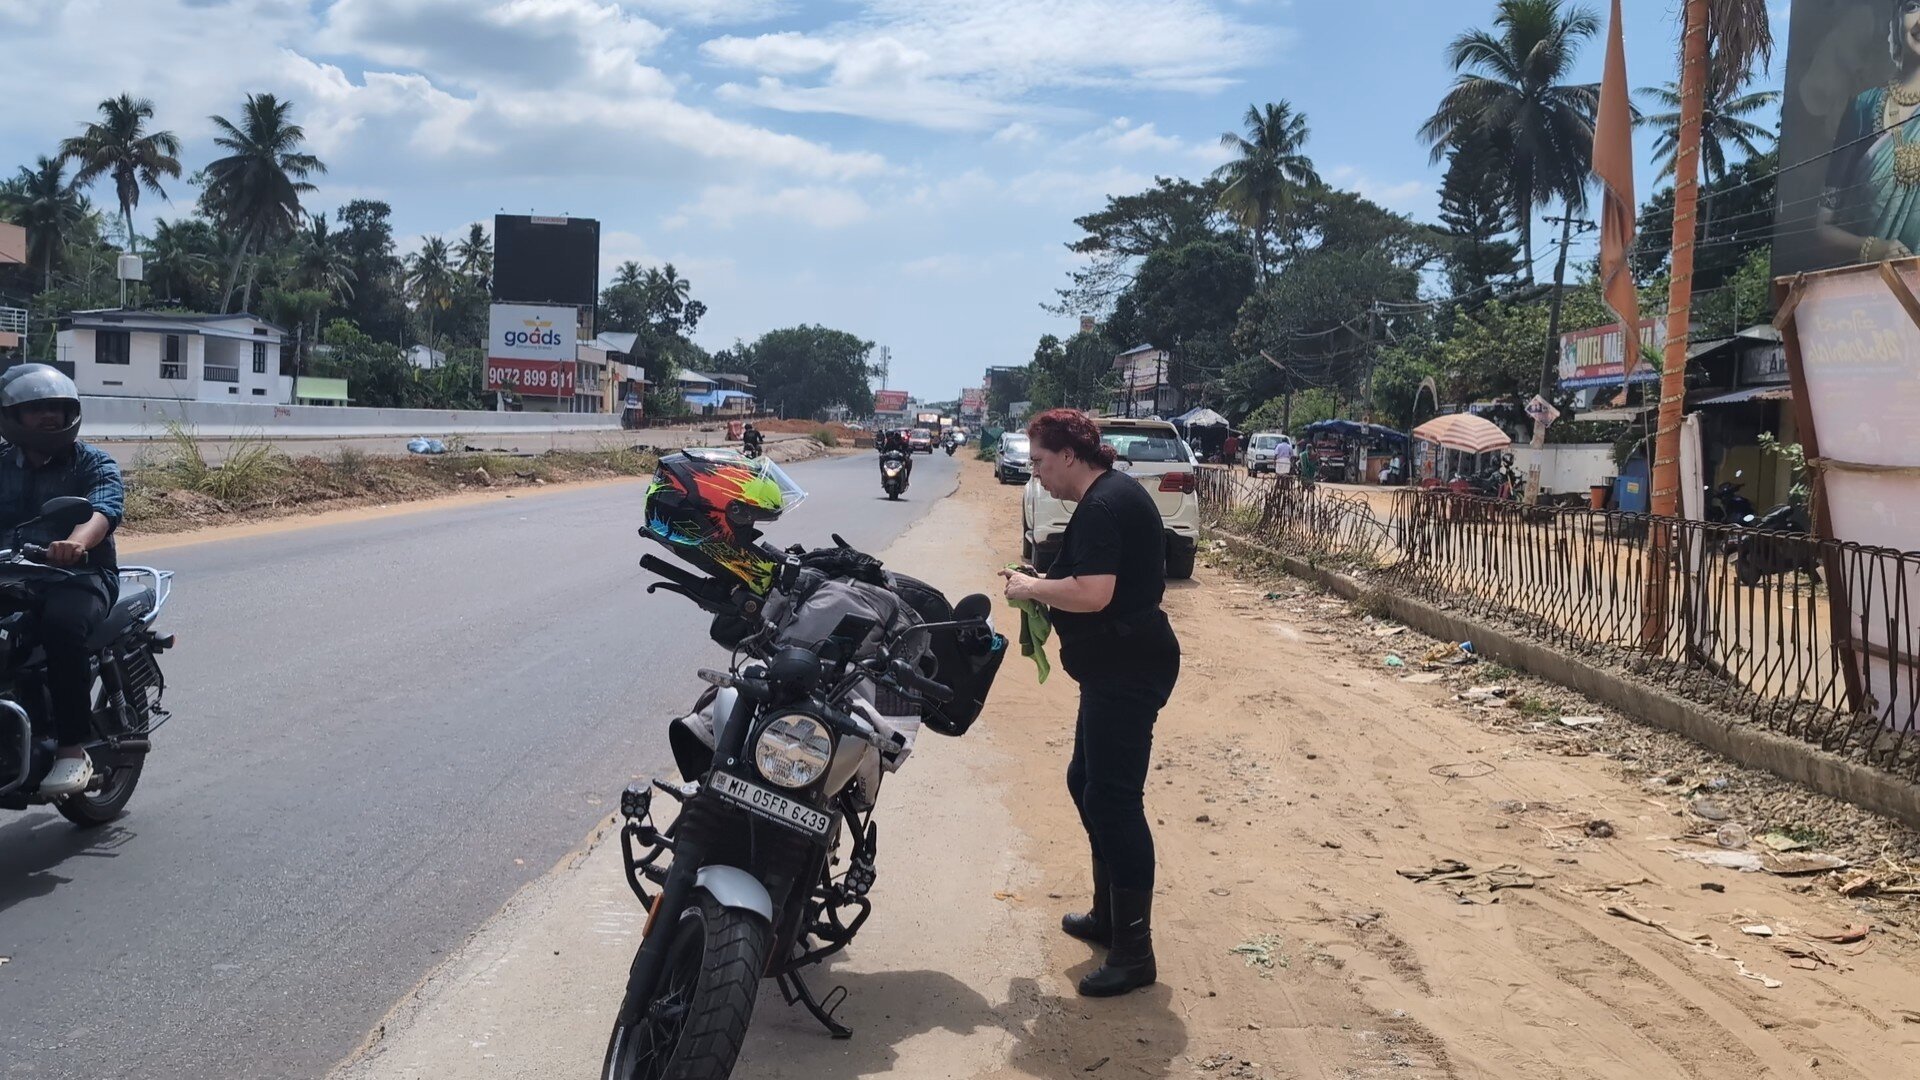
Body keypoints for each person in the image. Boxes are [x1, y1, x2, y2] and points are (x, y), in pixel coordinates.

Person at [999, 408, 1180, 998]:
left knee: (1114, 799)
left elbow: (1094, 593)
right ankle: (1108, 916)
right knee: (1087, 783)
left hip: (1129, 671)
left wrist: (1031, 588)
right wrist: (1041, 578)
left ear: (1070, 457)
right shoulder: (1109, 495)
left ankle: (1134, 952)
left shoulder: (1103, 504)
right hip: (1116, 669)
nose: (1038, 474)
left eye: (1041, 462)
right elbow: (1092, 575)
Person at [0, 365, 124, 797]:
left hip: (79, 575)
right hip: (11, 575)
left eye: (56, 408)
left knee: (61, 627)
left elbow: (103, 510)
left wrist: (74, 543)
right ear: (12, 415)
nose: (49, 416)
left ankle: (72, 749)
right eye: (37, 409)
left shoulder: (92, 462)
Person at [1814, 1, 1920, 263]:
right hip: (1872, 293)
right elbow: (1822, 226)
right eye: (1913, 6)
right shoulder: (1863, 107)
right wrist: (1872, 247)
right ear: (1896, 20)